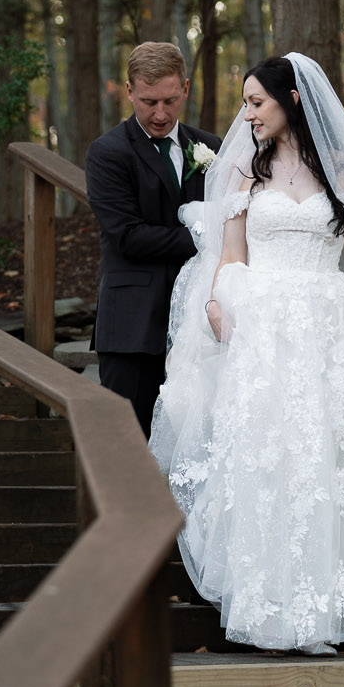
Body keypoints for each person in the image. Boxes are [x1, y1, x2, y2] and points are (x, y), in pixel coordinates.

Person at [150, 52, 344, 654]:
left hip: (329, 328)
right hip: (264, 329)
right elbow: (230, 259)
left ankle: (333, 605)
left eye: (257, 102)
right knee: (270, 456)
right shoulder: (242, 174)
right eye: (247, 103)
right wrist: (219, 304)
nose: (247, 114)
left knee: (330, 457)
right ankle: (270, 607)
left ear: (294, 100)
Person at [85, 42, 224, 438]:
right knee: (126, 443)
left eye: (169, 100)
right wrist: (208, 237)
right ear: (129, 92)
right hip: (133, 324)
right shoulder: (108, 153)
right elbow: (128, 236)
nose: (160, 114)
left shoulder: (211, 147)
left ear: (185, 88)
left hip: (201, 324)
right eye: (148, 102)